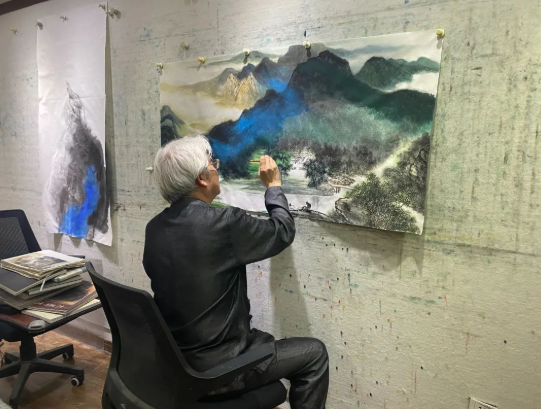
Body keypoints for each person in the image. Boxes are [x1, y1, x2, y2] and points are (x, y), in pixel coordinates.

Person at [143, 135, 329, 408]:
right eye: (212, 163)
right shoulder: (224, 223)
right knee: (315, 354)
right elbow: (282, 231)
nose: (216, 167)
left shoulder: (154, 228)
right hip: (221, 370)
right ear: (201, 178)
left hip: (176, 364)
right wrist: (274, 186)